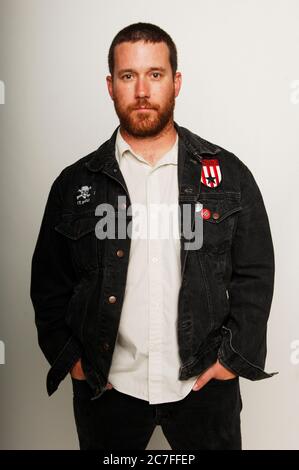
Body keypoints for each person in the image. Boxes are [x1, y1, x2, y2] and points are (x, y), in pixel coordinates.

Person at [30, 22, 276, 450]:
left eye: (155, 74)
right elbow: (48, 284)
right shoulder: (74, 184)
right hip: (109, 388)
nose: (142, 90)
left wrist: (231, 358)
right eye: (128, 76)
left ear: (176, 82)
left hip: (202, 385)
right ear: (111, 86)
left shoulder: (227, 175)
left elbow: (255, 272)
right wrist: (72, 360)